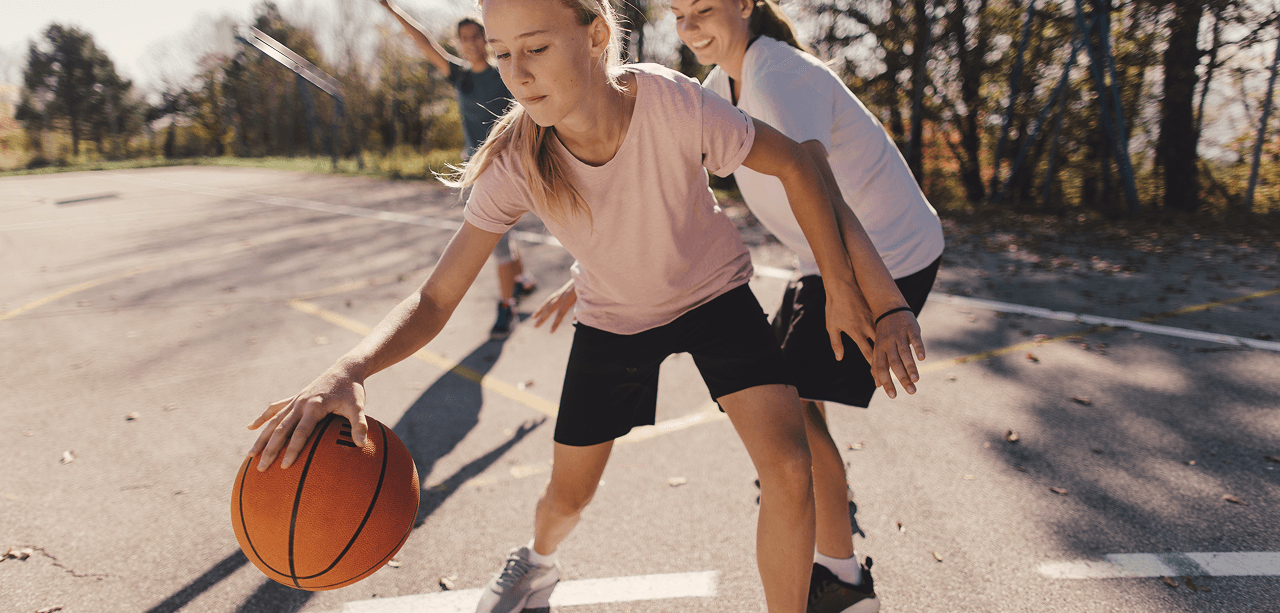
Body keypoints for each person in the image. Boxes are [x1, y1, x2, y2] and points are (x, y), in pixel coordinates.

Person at [247, 0, 923, 611]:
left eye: (535, 48)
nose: (516, 72)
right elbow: (436, 296)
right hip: (616, 318)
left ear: (596, 34)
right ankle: (537, 563)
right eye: (503, 52)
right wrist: (351, 368)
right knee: (568, 495)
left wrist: (841, 284)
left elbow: (801, 164)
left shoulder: (671, 100)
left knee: (789, 464)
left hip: (714, 292)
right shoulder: (516, 159)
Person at [674, 1, 945, 611]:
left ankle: (843, 583)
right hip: (822, 259)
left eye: (703, 10)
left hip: (886, 257)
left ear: (744, 5)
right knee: (793, 401)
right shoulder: (722, 84)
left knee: (789, 410)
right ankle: (820, 503)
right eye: (678, 13)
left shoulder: (777, 76)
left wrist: (881, 303)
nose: (689, 28)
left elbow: (819, 186)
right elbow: (671, 178)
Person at [378, 0, 536, 340]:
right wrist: (392, 10)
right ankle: (523, 281)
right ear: (459, 43)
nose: (471, 43)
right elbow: (424, 42)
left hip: (507, 167)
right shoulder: (460, 76)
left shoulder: (504, 71)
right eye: (464, 38)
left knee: (500, 242)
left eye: (476, 36)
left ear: (486, 37)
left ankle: (507, 305)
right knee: (504, 235)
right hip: (477, 169)